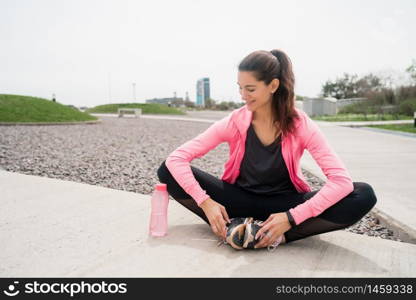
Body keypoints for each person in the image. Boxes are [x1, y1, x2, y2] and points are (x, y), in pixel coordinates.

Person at [157, 49, 377, 251]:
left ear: (273, 86)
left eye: (250, 89)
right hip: (237, 201)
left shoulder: (301, 124)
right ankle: (238, 226)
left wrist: (291, 217)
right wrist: (206, 203)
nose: (243, 95)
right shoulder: (235, 121)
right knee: (166, 171)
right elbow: (176, 159)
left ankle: (276, 234)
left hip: (284, 206)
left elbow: (341, 181)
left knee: (363, 194)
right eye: (240, 87)